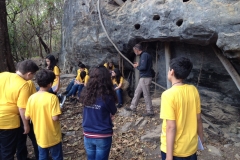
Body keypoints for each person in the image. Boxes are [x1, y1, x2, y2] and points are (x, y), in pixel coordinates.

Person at [160, 57, 204, 160]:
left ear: (172, 72)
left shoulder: (168, 95)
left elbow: (171, 127)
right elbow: (198, 119)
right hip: (191, 147)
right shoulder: (193, 90)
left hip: (175, 151)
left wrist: (169, 156)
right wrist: (201, 139)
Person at [0, 60, 39, 160]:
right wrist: (26, 125)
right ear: (29, 74)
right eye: (33, 75)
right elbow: (22, 108)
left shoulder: (3, 75)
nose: (32, 78)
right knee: (7, 151)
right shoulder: (23, 84)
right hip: (8, 122)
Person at [25, 69, 63, 160]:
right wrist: (60, 110)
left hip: (40, 136)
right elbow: (55, 118)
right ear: (50, 84)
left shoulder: (31, 98)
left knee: (42, 156)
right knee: (57, 156)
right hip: (53, 136)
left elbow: (27, 116)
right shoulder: (53, 98)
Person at [82, 65, 117, 160]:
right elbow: (113, 111)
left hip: (88, 133)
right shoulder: (108, 97)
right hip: (102, 134)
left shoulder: (85, 94)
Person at [125, 43, 154, 117]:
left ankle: (150, 111)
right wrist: (139, 64)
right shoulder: (146, 55)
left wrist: (136, 66)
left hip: (145, 77)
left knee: (146, 94)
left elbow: (143, 68)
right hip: (144, 78)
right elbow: (145, 65)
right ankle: (133, 107)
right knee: (137, 92)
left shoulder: (144, 55)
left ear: (137, 50)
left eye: (134, 51)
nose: (134, 52)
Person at [16, 80, 39, 160]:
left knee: (20, 140)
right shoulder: (29, 83)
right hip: (27, 115)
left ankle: (22, 158)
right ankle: (40, 157)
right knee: (36, 138)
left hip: (15, 115)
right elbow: (34, 98)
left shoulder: (11, 82)